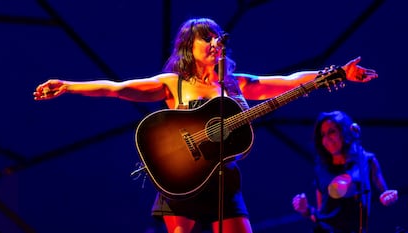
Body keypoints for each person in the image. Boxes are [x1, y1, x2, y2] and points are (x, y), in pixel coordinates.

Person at [34, 18, 378, 233]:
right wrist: (69, 85)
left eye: (217, 36)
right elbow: (118, 88)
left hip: (224, 181)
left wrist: (335, 73)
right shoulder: (174, 83)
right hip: (181, 181)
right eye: (206, 38)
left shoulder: (235, 84)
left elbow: (288, 80)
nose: (215, 42)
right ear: (189, 46)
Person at [292, 110, 398, 233]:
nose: (327, 139)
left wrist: (389, 197)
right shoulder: (321, 169)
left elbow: (385, 196)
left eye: (332, 132)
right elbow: (322, 215)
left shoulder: (366, 160)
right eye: (323, 135)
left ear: (345, 132)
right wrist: (305, 210)